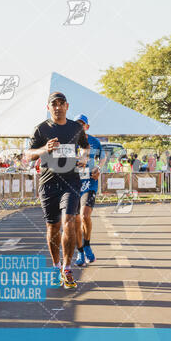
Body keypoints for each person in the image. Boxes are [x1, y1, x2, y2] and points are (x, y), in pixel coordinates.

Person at [25, 92, 89, 289]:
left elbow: (85, 147)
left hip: (70, 181)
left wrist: (84, 157)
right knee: (53, 228)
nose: (58, 107)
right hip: (48, 182)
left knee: (69, 222)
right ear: (48, 107)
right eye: (54, 104)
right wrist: (44, 149)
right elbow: (27, 155)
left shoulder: (76, 127)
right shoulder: (41, 129)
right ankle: (56, 266)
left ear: (67, 106)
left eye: (61, 104)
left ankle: (67, 269)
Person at [74, 114, 106, 267]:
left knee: (85, 215)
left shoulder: (94, 141)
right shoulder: (69, 142)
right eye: (77, 124)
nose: (80, 126)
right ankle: (80, 251)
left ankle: (87, 245)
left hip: (90, 182)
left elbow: (103, 158)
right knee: (76, 220)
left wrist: (98, 168)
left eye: (82, 124)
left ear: (87, 126)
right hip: (74, 183)